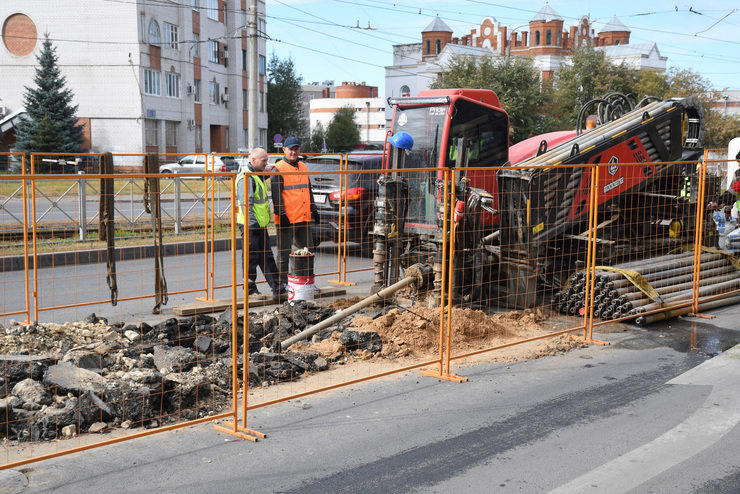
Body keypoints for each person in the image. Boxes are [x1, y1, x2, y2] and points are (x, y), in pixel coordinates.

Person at [270, 137, 318, 287]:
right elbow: (276, 194)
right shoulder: (279, 168)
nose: (293, 152)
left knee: (308, 252)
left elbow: (307, 189)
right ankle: (282, 284)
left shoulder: (303, 166)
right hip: (287, 219)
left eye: (296, 149)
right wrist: (281, 213)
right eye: (291, 149)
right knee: (284, 254)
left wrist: (314, 208)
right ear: (284, 149)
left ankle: (307, 282)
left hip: (304, 217)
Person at [235, 147, 283, 296]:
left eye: (267, 160)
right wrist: (252, 224)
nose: (266, 163)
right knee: (252, 257)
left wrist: (275, 166)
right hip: (251, 225)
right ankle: (250, 289)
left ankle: (277, 287)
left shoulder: (256, 174)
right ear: (253, 160)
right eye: (264, 161)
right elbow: (246, 203)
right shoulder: (247, 177)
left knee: (266, 255)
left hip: (258, 224)